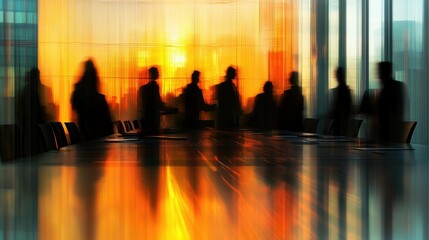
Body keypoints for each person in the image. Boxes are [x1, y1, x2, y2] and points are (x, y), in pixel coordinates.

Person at [71, 59, 113, 140]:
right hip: (95, 137)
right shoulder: (98, 101)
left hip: (84, 136)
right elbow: (106, 125)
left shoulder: (78, 93)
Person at [17, 68, 47, 156]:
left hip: (28, 127)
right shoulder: (33, 91)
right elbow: (37, 111)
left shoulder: (26, 90)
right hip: (32, 128)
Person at [377, 61, 406, 142]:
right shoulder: (397, 86)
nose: (377, 75)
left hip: (388, 136)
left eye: (379, 71)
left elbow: (384, 113)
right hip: (393, 135)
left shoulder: (387, 89)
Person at [330, 67, 352, 136]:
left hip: (340, 124)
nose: (336, 77)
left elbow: (338, 108)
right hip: (341, 124)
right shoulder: (345, 90)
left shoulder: (342, 91)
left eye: (337, 75)